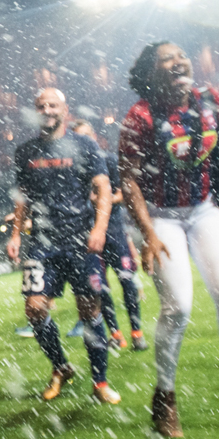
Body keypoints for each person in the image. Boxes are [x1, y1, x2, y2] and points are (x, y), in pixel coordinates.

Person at [119, 41, 219, 438]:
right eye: (167, 59)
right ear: (152, 73)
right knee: (178, 308)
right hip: (162, 217)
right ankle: (165, 396)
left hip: (205, 210)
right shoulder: (140, 115)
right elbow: (129, 179)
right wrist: (148, 233)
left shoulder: (210, 100)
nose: (178, 62)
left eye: (181, 56)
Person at [5, 89, 122, 406]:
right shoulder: (26, 151)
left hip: (80, 241)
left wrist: (99, 229)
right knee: (34, 309)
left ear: (65, 110)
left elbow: (103, 187)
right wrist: (16, 235)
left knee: (90, 310)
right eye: (40, 105)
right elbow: (22, 196)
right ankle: (61, 367)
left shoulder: (84, 145)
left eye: (52, 105)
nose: (46, 109)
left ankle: (100, 382)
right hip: (41, 243)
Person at [74, 120, 147, 352]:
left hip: (114, 231)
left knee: (127, 281)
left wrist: (102, 199)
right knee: (99, 287)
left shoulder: (109, 161)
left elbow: (125, 194)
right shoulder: (73, 168)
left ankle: (137, 332)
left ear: (94, 136)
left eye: (86, 136)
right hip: (89, 235)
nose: (84, 141)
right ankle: (116, 334)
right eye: (78, 138)